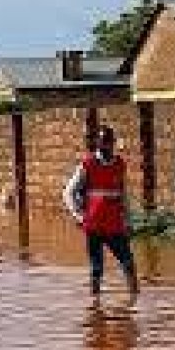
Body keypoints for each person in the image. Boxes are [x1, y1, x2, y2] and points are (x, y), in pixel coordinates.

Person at [63, 125, 139, 301]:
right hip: (94, 225)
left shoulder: (120, 164)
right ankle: (95, 305)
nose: (105, 147)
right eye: (102, 143)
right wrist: (79, 216)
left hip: (115, 225)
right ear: (98, 144)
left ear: (112, 143)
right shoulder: (87, 165)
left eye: (108, 143)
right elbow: (68, 193)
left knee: (128, 263)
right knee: (97, 268)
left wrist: (128, 221)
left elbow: (123, 194)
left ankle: (134, 299)